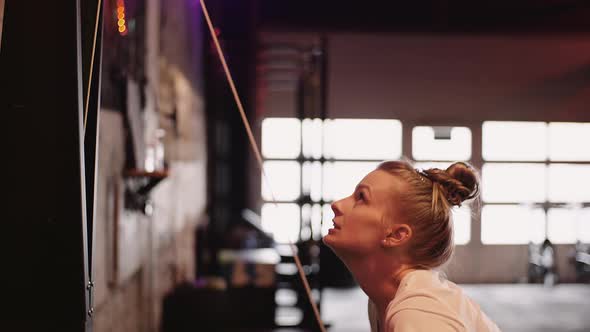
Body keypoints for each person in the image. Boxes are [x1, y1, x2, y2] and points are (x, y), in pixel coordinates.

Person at [323, 160, 501, 332]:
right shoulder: (381, 301)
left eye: (361, 197)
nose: (336, 205)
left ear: (396, 235)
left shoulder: (418, 313)